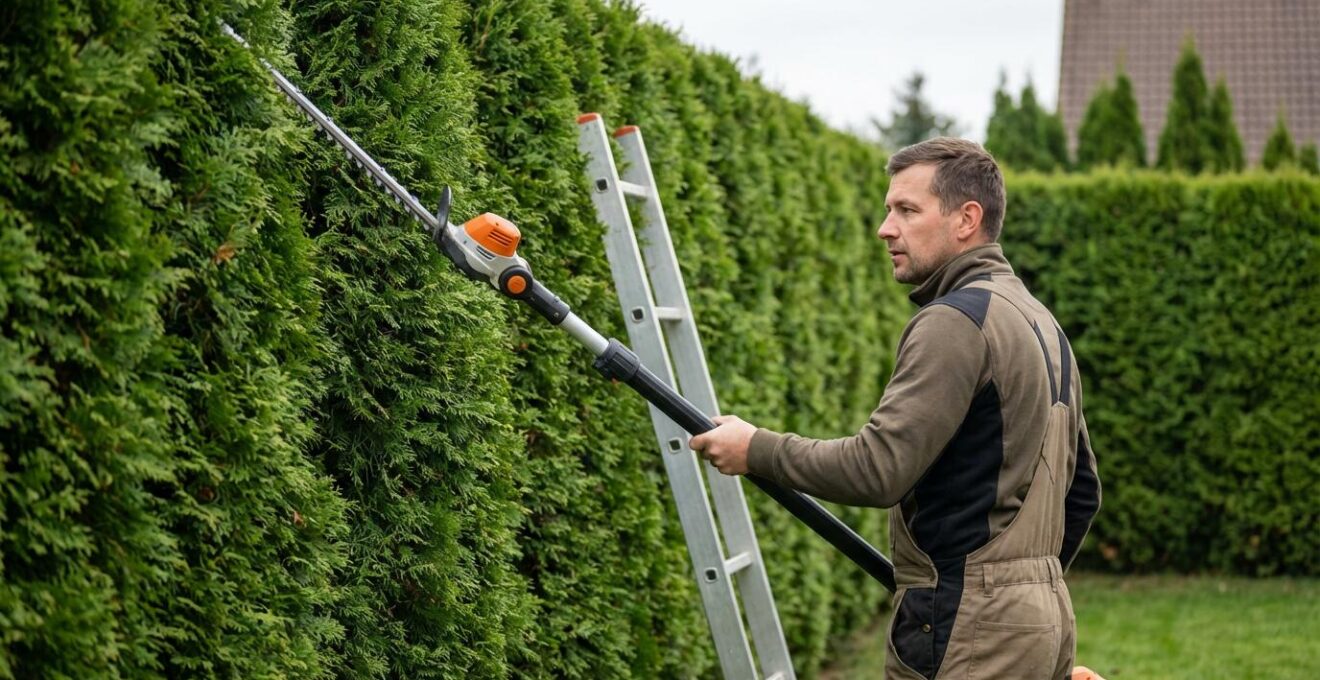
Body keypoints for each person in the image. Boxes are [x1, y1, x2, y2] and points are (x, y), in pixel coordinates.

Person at [689, 137, 1101, 680]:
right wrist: (1024, 601)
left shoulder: (956, 321)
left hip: (967, 630)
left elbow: (878, 469)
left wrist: (755, 448)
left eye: (907, 210)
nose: (886, 227)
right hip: (1040, 621)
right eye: (889, 209)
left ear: (966, 220)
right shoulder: (1039, 319)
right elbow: (1083, 491)